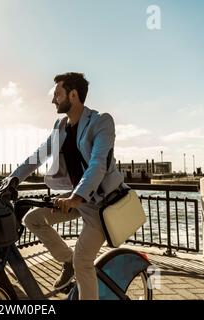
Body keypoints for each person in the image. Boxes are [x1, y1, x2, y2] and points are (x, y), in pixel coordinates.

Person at [9, 72, 126, 300]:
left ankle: (76, 265)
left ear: (73, 95)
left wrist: (76, 197)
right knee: (32, 219)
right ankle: (66, 261)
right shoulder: (61, 125)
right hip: (77, 199)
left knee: (84, 261)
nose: (53, 99)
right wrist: (12, 180)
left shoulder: (101, 121)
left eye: (57, 94)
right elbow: (39, 155)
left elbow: (98, 163)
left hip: (101, 204)